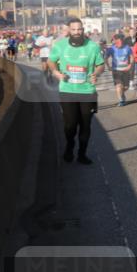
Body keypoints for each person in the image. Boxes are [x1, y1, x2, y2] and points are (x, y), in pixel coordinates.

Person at [48, 18, 105, 164]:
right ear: (69, 30)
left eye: (79, 29)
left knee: (85, 124)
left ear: (83, 30)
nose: (77, 32)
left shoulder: (93, 46)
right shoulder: (60, 46)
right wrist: (56, 73)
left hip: (87, 91)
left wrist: (96, 74)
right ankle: (70, 146)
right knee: (70, 125)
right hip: (67, 90)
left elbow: (100, 65)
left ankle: (82, 154)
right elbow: (51, 61)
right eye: (73, 29)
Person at [108, 34, 134, 107]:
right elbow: (106, 57)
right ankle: (121, 100)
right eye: (116, 42)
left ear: (122, 41)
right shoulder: (112, 49)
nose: (118, 44)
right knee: (119, 86)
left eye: (119, 42)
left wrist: (130, 65)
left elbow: (132, 57)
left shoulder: (127, 48)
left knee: (126, 87)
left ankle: (122, 94)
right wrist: (108, 66)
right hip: (116, 70)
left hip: (125, 70)